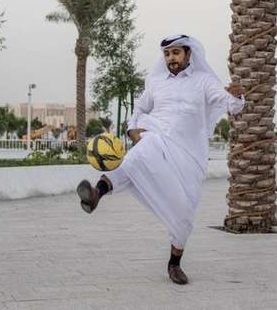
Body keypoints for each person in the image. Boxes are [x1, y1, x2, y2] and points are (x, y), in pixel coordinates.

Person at [76, 34, 246, 285]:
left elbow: (230, 105)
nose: (171, 58)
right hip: (156, 137)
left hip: (188, 155)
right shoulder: (156, 82)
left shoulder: (204, 82)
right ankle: (97, 192)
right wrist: (133, 130)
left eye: (176, 53)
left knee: (184, 214)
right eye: (167, 54)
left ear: (188, 54)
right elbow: (140, 111)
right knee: (139, 154)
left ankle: (174, 263)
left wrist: (237, 96)